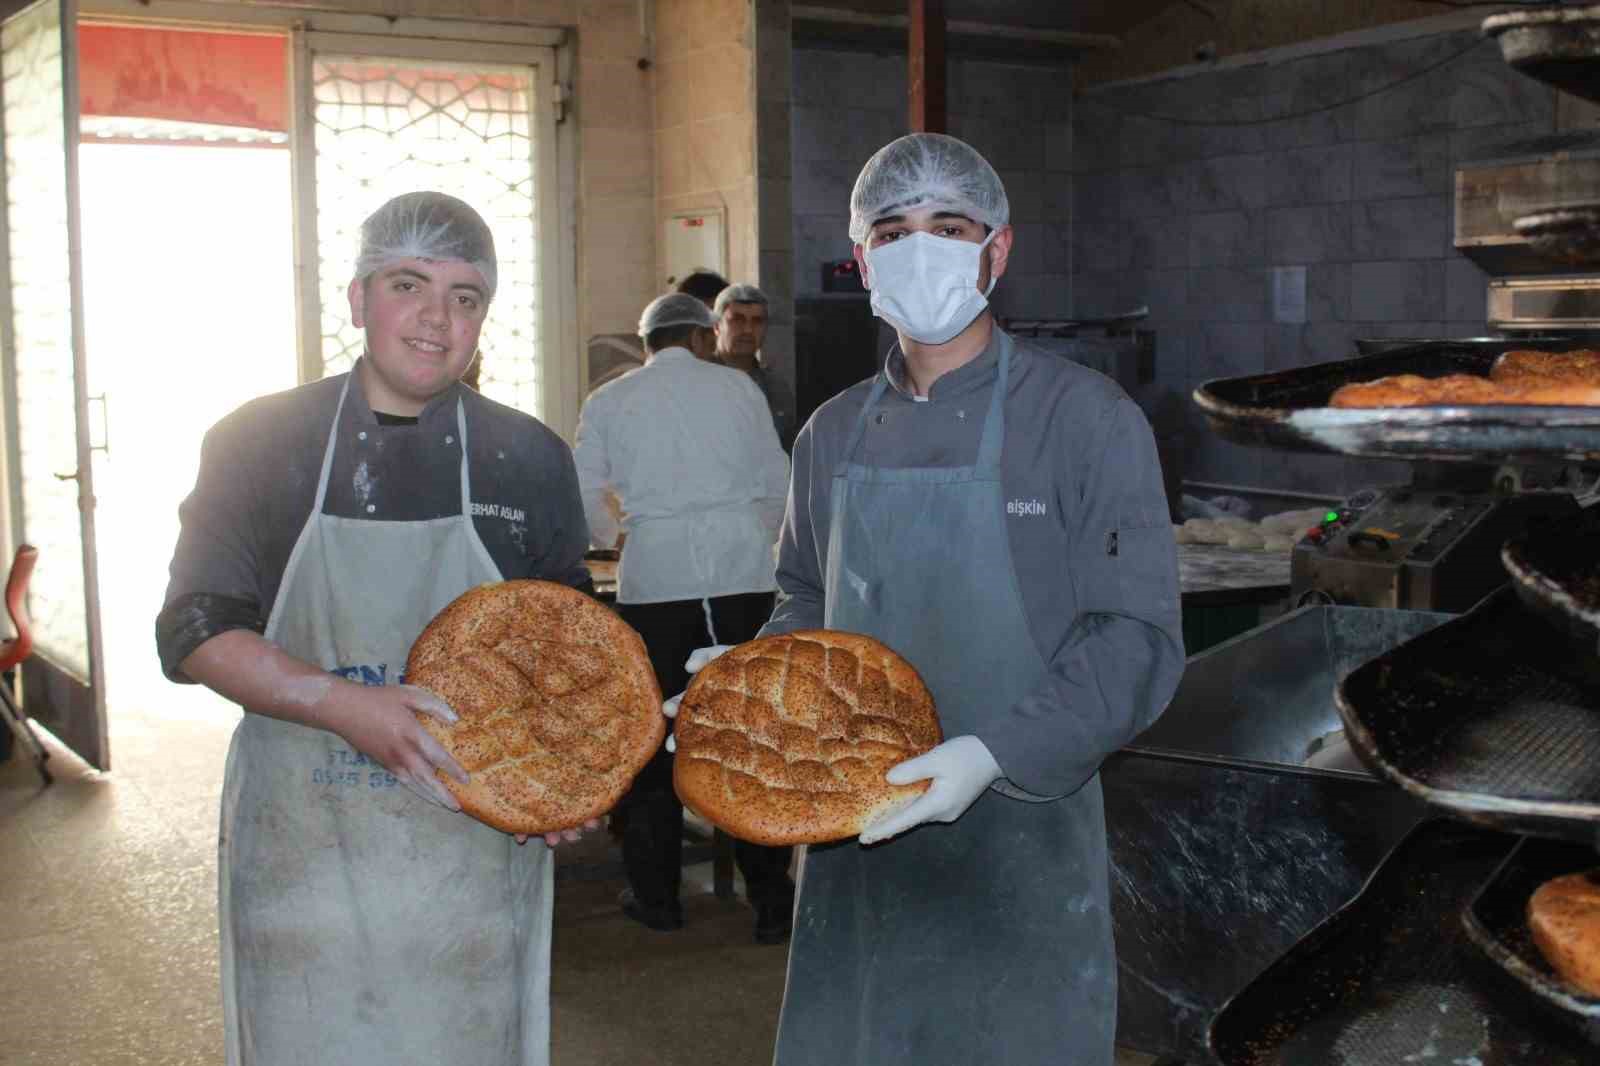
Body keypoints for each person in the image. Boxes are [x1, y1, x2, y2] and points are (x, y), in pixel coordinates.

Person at [666, 134, 1185, 1064]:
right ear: (863, 259)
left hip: (1022, 833)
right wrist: (753, 681)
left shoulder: (1084, 419)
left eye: (949, 227)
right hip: (851, 835)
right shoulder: (831, 434)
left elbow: (1134, 638)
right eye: (892, 231)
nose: (920, 249)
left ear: (998, 249)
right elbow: (808, 599)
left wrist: (991, 755)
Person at [156, 191, 595, 1066]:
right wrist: (342, 705)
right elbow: (195, 628)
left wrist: (565, 776)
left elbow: (569, 650)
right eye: (407, 285)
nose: (436, 318)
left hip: (470, 861)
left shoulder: (528, 456)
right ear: (358, 299)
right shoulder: (259, 442)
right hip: (305, 858)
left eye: (465, 296)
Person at [572, 293, 795, 943]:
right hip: (741, 578)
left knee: (654, 738)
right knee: (749, 734)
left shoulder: (609, 400)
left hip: (656, 582)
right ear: (702, 338)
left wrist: (615, 536)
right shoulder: (738, 390)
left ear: (647, 345)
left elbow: (583, 490)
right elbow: (777, 484)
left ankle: (658, 897)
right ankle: (771, 902)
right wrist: (751, 538)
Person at [712, 282, 796, 452]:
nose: (748, 330)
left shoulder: (777, 388)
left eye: (757, 321)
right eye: (737, 320)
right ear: (716, 326)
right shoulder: (697, 381)